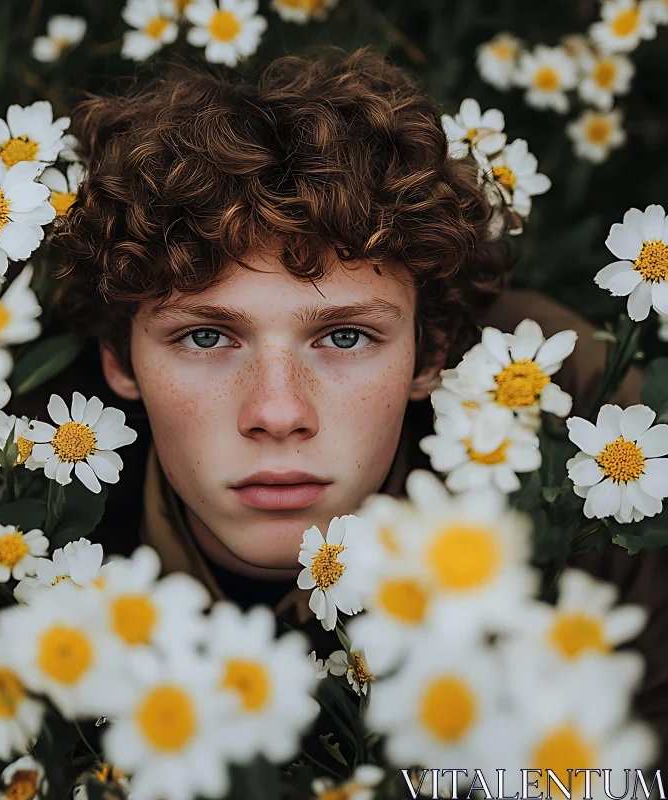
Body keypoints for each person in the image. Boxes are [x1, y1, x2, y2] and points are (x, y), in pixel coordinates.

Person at [45, 46, 668, 767]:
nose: (277, 414)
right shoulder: (5, 499)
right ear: (118, 358)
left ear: (432, 353)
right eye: (207, 335)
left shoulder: (579, 418)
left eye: (344, 335)